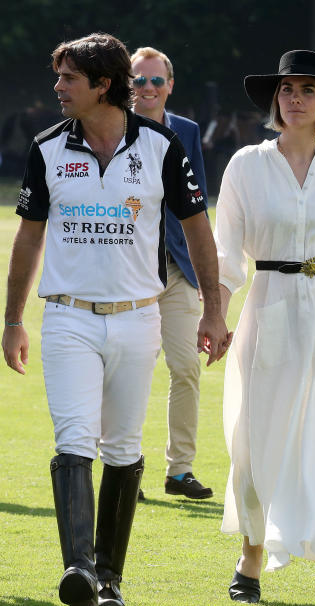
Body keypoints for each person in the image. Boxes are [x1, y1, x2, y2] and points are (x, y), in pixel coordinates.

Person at [2, 34, 228, 606]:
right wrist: (10, 319)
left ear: (103, 84)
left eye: (69, 78)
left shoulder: (162, 144)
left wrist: (212, 308)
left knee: (124, 449)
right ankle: (77, 567)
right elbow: (28, 236)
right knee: (74, 438)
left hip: (138, 320)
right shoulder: (47, 148)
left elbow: (198, 229)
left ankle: (108, 577)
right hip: (69, 317)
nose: (58, 88)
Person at [217, 50, 315, 606]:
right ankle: (251, 559)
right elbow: (228, 251)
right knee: (257, 436)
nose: (295, 99)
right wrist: (217, 313)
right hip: (272, 303)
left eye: (307, 90)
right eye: (286, 90)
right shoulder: (246, 166)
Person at [130, 46, 213, 501]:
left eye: (155, 81)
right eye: (138, 81)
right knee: (130, 372)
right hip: (128, 274)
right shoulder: (111, 128)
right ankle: (125, 468)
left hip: (177, 273)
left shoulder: (186, 131)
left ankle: (179, 471)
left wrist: (204, 279)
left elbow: (195, 208)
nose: (147, 89)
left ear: (170, 85)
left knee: (185, 368)